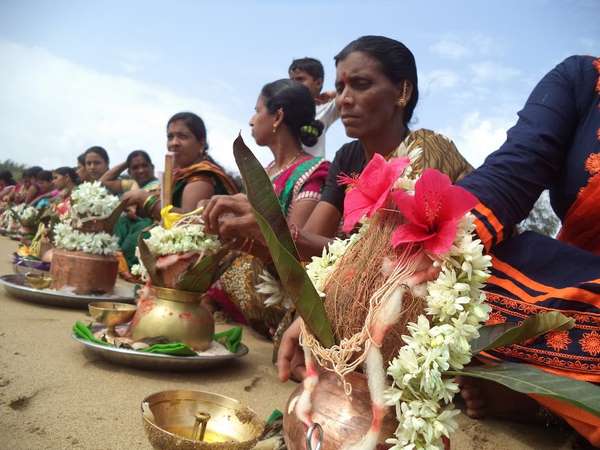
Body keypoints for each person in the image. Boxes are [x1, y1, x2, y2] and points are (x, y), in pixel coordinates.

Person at [203, 36, 472, 260]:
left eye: (361, 85)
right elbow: (310, 249)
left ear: (403, 91)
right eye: (340, 88)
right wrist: (254, 235)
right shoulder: (347, 157)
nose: (344, 100)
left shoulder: (426, 148)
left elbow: (395, 257)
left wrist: (273, 227)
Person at [452, 55, 600, 447]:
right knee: (455, 278)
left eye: (359, 84)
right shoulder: (584, 79)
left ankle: (543, 400)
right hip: (573, 285)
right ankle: (550, 399)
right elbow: (512, 174)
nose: (345, 99)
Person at [219, 79, 331, 335]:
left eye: (257, 110)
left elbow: (293, 250)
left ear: (277, 117)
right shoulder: (267, 171)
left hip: (277, 295)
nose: (251, 120)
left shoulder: (313, 171)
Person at [121, 112, 238, 219]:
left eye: (182, 136)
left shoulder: (201, 177)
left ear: (201, 143)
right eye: (170, 137)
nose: (174, 143)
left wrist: (145, 199)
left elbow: (189, 222)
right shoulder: (178, 174)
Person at [112, 151, 160, 270]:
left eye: (144, 165)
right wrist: (127, 162)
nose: (141, 170)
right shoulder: (131, 184)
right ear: (129, 172)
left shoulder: (160, 185)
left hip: (152, 224)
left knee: (130, 244)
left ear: (152, 167)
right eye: (135, 167)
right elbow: (103, 181)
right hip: (129, 223)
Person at [289, 57, 339, 158]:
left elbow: (354, 94)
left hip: (312, 167)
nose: (294, 84)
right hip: (286, 167)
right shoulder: (283, 110)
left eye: (300, 79)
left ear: (318, 83)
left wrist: (333, 94)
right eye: (291, 80)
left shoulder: (325, 108)